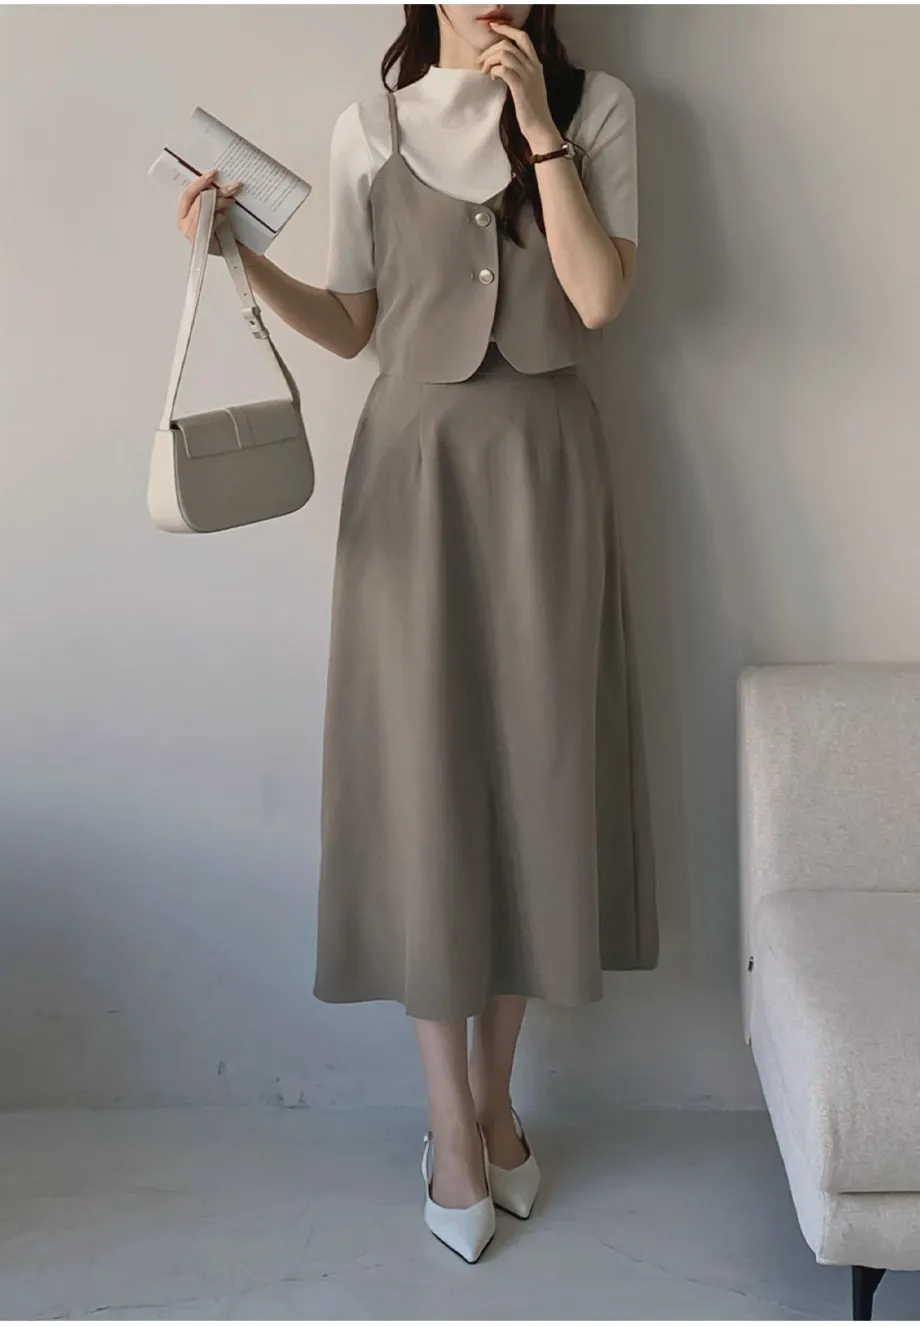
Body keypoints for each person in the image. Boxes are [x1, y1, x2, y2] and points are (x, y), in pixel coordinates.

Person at [178, 2, 658, 1265]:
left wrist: (539, 126)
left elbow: (598, 297)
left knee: (536, 780)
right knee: (425, 784)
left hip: (544, 474)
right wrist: (240, 258)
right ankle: (449, 1120)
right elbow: (353, 324)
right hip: (410, 481)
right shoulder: (366, 126)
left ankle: (498, 1100)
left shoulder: (597, 109)